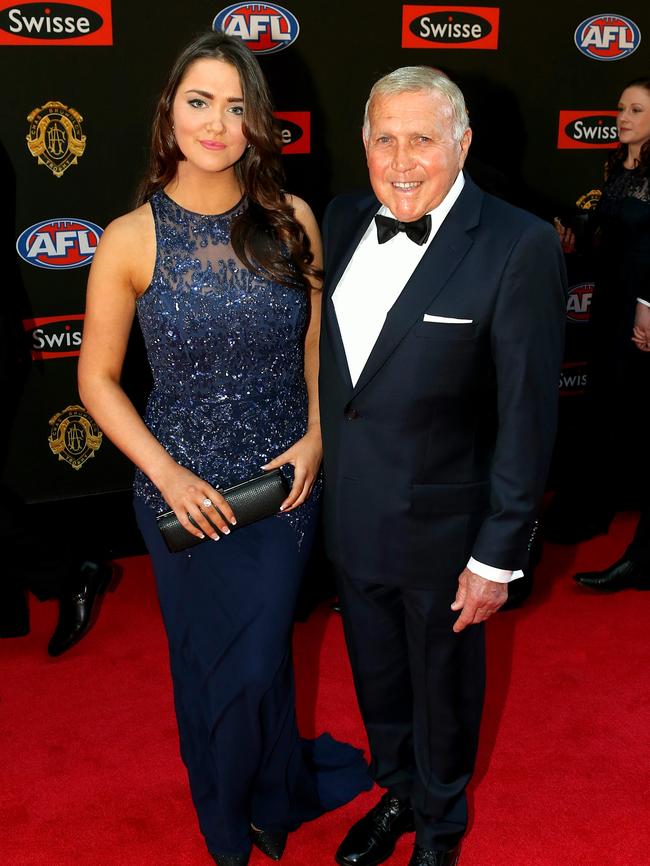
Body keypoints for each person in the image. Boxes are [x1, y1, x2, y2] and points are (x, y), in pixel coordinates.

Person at [77, 31, 370, 866]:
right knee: (210, 660)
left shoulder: (290, 220)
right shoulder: (130, 238)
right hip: (178, 492)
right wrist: (165, 474)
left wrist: (315, 435)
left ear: (258, 123)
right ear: (171, 111)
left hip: (281, 487)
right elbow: (96, 380)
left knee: (256, 655)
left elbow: (318, 348)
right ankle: (240, 804)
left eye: (237, 107)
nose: (217, 123)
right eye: (200, 101)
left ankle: (267, 789)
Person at [318, 67, 566, 866]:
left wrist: (498, 555)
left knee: (446, 696)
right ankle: (396, 791)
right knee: (378, 682)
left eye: (422, 138)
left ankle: (440, 827)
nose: (400, 159)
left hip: (446, 533)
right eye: (383, 138)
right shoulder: (346, 216)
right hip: (351, 519)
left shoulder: (516, 243)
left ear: (461, 143)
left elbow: (528, 415)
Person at [546, 77, 650, 556]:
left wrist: (648, 308)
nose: (622, 117)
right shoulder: (618, 164)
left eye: (636, 110)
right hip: (608, 299)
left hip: (641, 301)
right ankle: (593, 505)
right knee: (606, 398)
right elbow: (610, 236)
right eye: (621, 107)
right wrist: (575, 239)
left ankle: (619, 505)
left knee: (632, 400)